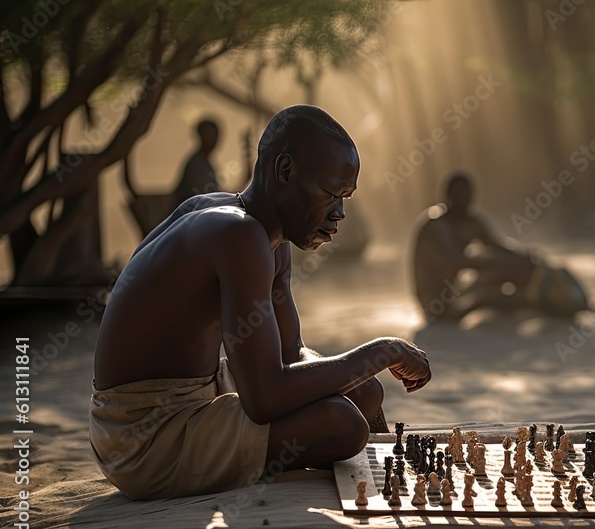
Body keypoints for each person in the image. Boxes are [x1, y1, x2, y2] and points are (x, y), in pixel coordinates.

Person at [90, 106, 432, 500]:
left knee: (366, 393)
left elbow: (290, 355)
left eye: (346, 197)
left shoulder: (266, 236)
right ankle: (380, 493)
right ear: (284, 171)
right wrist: (383, 350)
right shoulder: (237, 234)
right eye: (330, 194)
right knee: (342, 424)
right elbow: (265, 398)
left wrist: (364, 373)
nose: (339, 214)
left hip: (196, 395)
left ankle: (385, 480)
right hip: (142, 437)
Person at [411, 172, 536, 321]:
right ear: (447, 197)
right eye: (459, 196)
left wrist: (525, 256)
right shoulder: (436, 225)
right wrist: (492, 262)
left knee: (511, 278)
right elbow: (450, 263)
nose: (464, 201)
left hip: (455, 295)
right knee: (501, 291)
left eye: (467, 196)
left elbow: (496, 245)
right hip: (435, 305)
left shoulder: (470, 219)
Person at [171, 119, 221, 209]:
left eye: (215, 135)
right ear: (200, 136)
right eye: (209, 135)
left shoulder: (205, 163)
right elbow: (204, 197)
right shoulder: (197, 164)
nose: (214, 140)